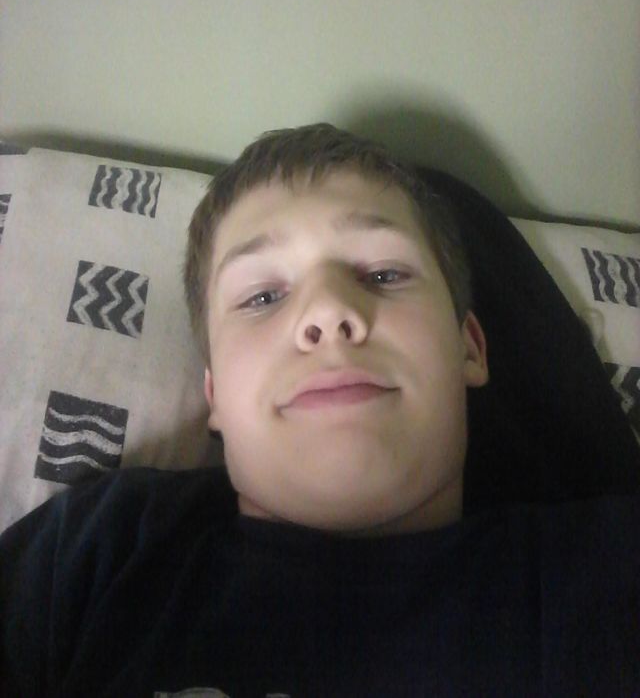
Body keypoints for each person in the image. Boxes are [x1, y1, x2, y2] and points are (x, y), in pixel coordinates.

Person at [1, 124, 639, 697]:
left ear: (469, 347)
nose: (328, 312)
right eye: (262, 296)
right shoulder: (99, 552)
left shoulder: (605, 581)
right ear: (214, 394)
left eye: (384, 274)